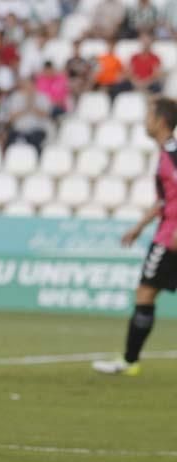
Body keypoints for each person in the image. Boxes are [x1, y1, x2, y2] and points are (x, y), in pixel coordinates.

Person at [94, 97, 177, 376]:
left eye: (149, 115)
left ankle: (130, 361)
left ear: (161, 121)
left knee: (145, 292)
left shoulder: (172, 153)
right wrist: (139, 226)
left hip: (170, 237)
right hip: (165, 232)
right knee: (146, 292)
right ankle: (130, 361)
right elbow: (165, 200)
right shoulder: (166, 153)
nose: (145, 120)